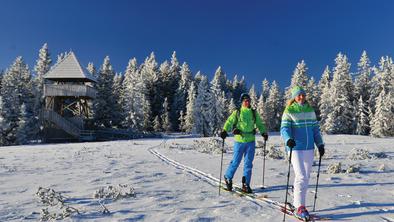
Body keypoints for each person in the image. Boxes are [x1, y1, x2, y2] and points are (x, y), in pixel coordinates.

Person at [280, 86, 325, 220]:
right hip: (295, 148)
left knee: (305, 177)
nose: (301, 97)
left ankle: (297, 200)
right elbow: (284, 128)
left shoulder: (310, 110)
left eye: (303, 95)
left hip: (309, 148)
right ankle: (300, 207)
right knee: (301, 176)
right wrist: (288, 140)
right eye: (298, 95)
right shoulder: (289, 110)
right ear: (294, 96)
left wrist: (320, 144)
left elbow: (315, 130)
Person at [220, 93, 268, 193]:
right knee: (236, 161)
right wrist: (225, 130)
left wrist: (263, 132)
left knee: (248, 163)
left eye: (248, 100)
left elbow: (259, 123)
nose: (247, 102)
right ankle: (228, 177)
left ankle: (246, 183)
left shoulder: (254, 113)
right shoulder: (237, 112)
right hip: (239, 141)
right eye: (245, 100)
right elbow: (229, 121)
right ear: (242, 102)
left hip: (250, 141)